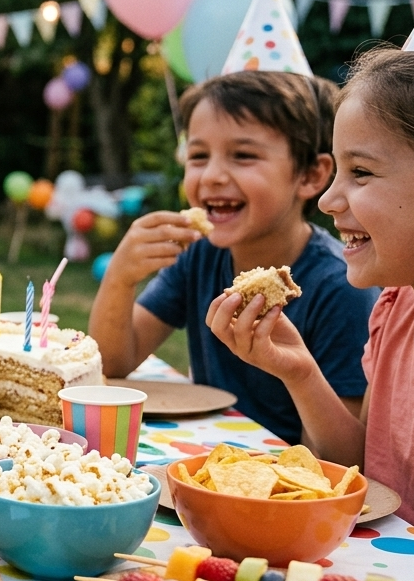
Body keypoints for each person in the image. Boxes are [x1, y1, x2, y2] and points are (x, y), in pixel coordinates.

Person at [205, 47, 414, 559]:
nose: (328, 200)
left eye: (362, 173)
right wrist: (299, 371)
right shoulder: (395, 310)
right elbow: (360, 471)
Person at [88, 70, 379, 448]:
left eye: (243, 155)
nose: (211, 175)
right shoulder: (200, 254)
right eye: (197, 156)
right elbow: (111, 366)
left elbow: (337, 459)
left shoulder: (340, 287)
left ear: (310, 175)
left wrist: (297, 374)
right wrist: (120, 276)